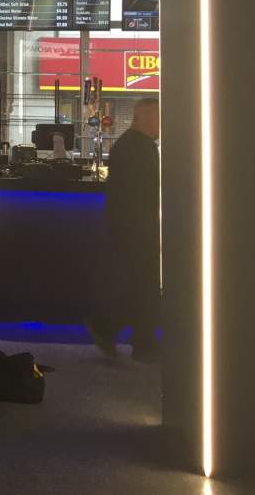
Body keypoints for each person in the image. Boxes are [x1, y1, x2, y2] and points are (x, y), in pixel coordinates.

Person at [87, 98, 161, 361]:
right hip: (136, 228)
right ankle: (136, 340)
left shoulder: (132, 145)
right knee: (143, 285)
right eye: (157, 118)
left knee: (140, 285)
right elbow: (139, 194)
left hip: (131, 227)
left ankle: (130, 336)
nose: (160, 124)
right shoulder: (137, 148)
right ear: (144, 117)